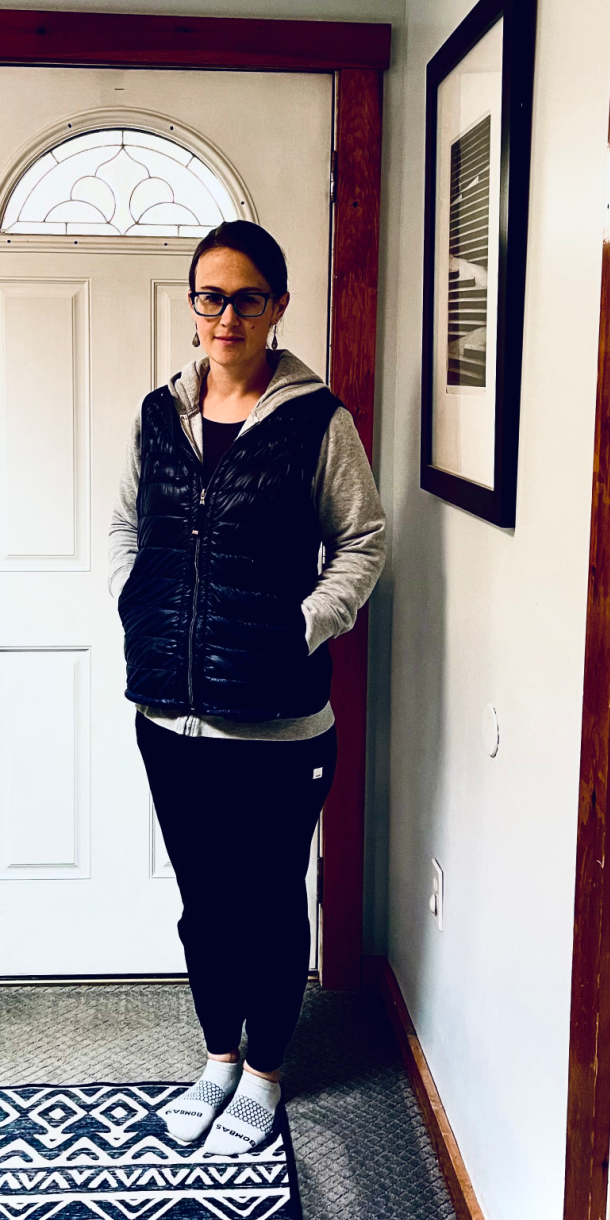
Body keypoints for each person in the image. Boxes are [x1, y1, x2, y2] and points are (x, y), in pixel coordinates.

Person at [109, 219, 386, 1154]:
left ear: (277, 307)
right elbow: (122, 527)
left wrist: (301, 627)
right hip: (168, 715)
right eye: (211, 296)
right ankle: (217, 1056)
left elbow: (364, 541)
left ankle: (267, 1071)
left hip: (279, 724)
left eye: (247, 297)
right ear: (192, 308)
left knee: (269, 904)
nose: (227, 314)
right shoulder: (158, 415)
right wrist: (135, 604)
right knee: (204, 902)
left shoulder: (319, 421)